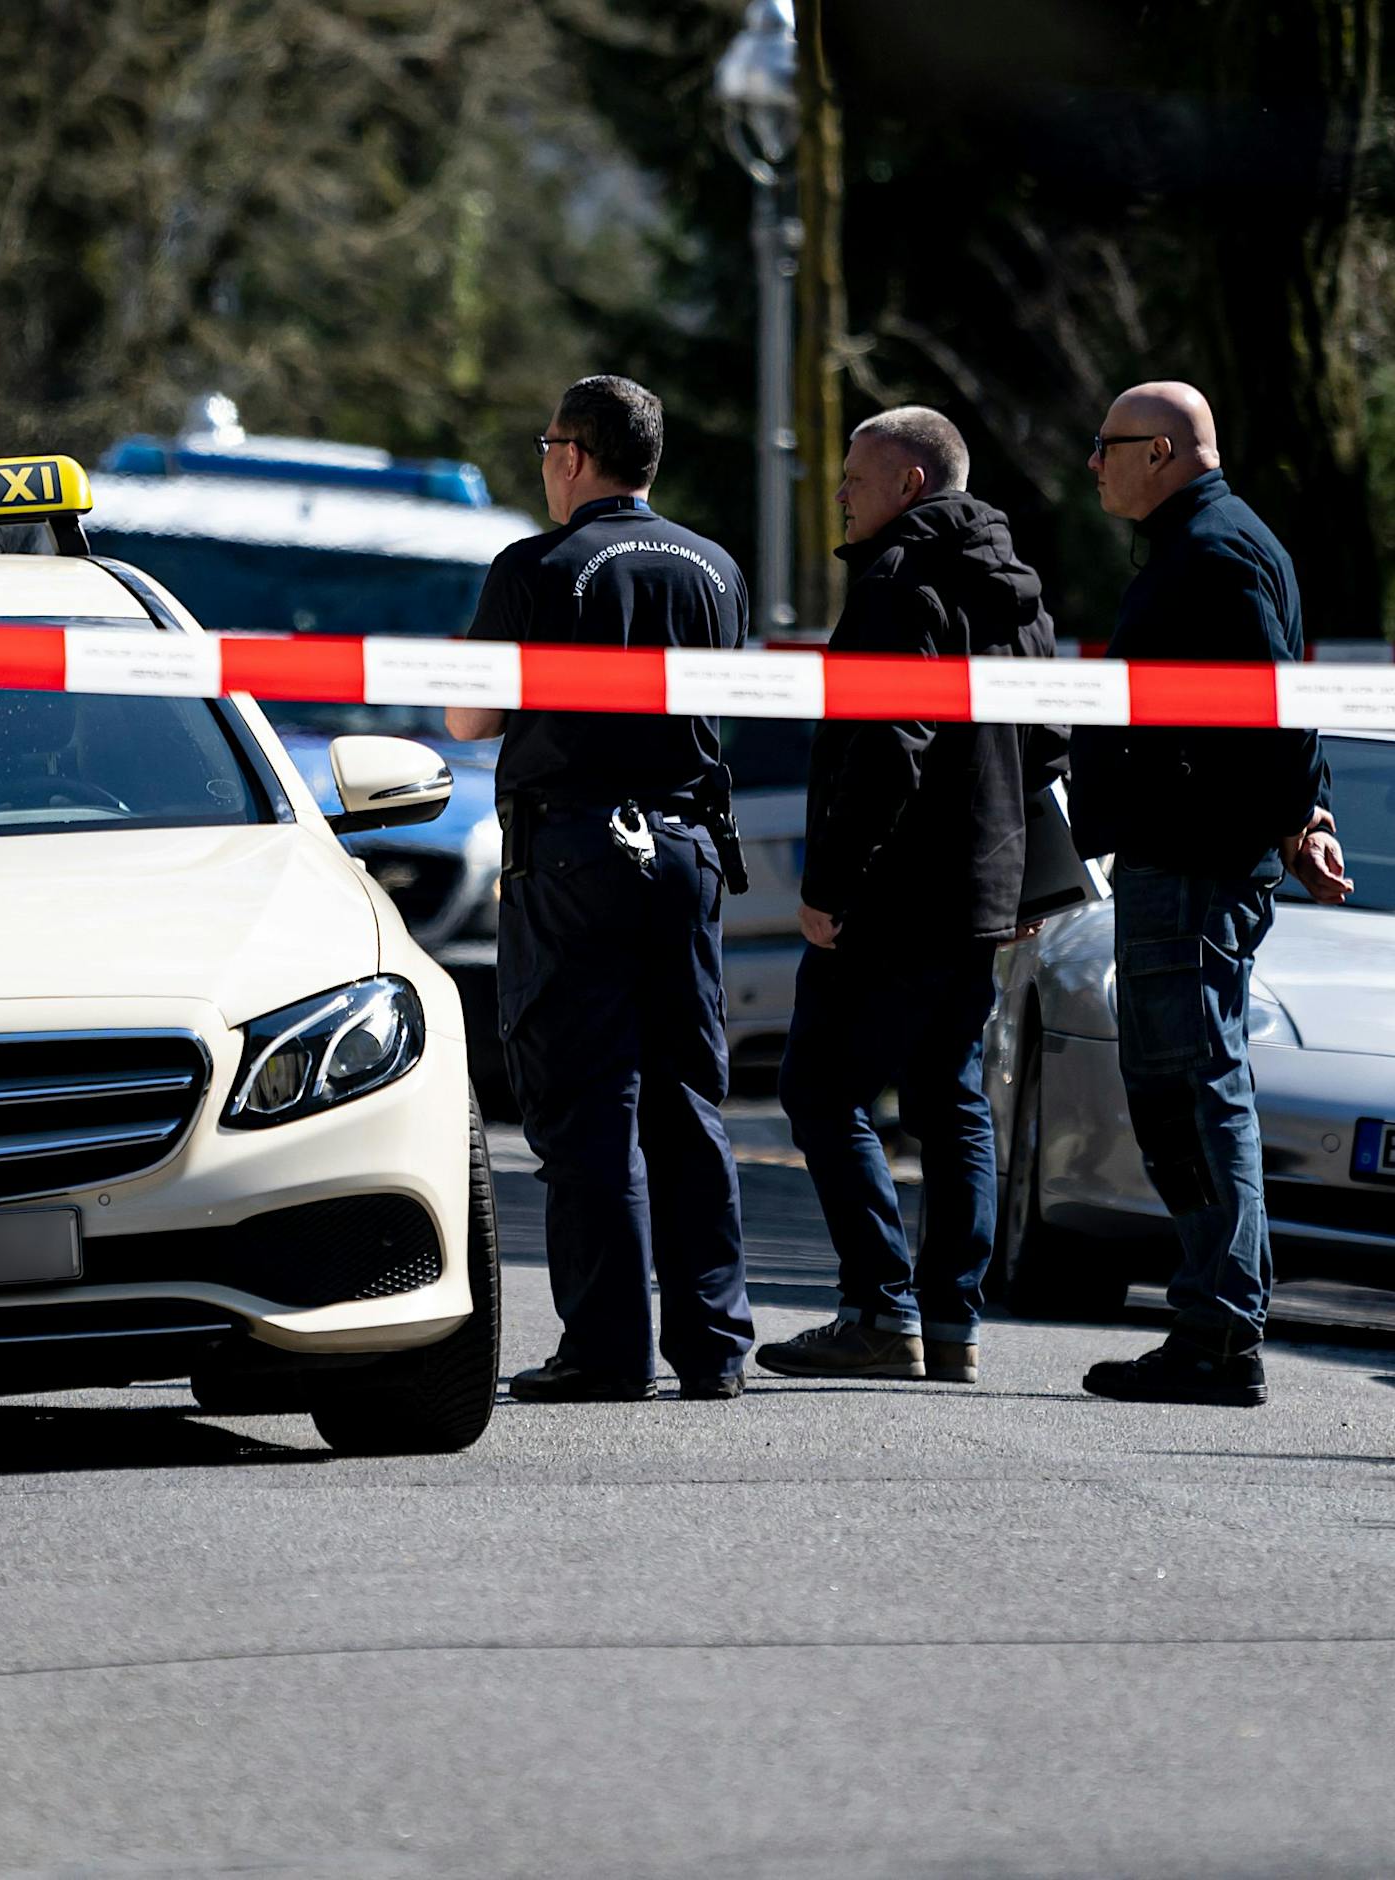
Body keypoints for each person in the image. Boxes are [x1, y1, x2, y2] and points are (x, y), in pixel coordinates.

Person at [444, 374, 755, 1402]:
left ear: (574, 455)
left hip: (574, 849)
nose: (542, 464)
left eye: (544, 446)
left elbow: (470, 721)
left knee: (589, 1105)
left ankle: (606, 1350)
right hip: (684, 851)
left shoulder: (536, 566)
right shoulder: (715, 568)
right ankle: (713, 1347)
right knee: (685, 1102)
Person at [753, 407, 1060, 1387]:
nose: (838, 492)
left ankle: (882, 1311)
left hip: (893, 890)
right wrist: (1020, 875)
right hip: (979, 891)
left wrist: (828, 883)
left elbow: (890, 739)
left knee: (817, 1086)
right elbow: (1053, 740)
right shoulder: (1015, 589)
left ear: (909, 485)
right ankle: (951, 1325)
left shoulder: (898, 580)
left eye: (853, 476)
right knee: (950, 1099)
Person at [1068, 380, 1350, 1408]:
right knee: (1179, 1091)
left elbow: (1274, 707)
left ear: (1163, 451)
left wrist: (1298, 817)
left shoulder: (1215, 550)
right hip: (1180, 856)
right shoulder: (1208, 540)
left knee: (1193, 1092)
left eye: (1105, 445)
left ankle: (1218, 1330)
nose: (1090, 463)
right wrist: (1303, 819)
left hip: (1190, 865)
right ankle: (1210, 1321)